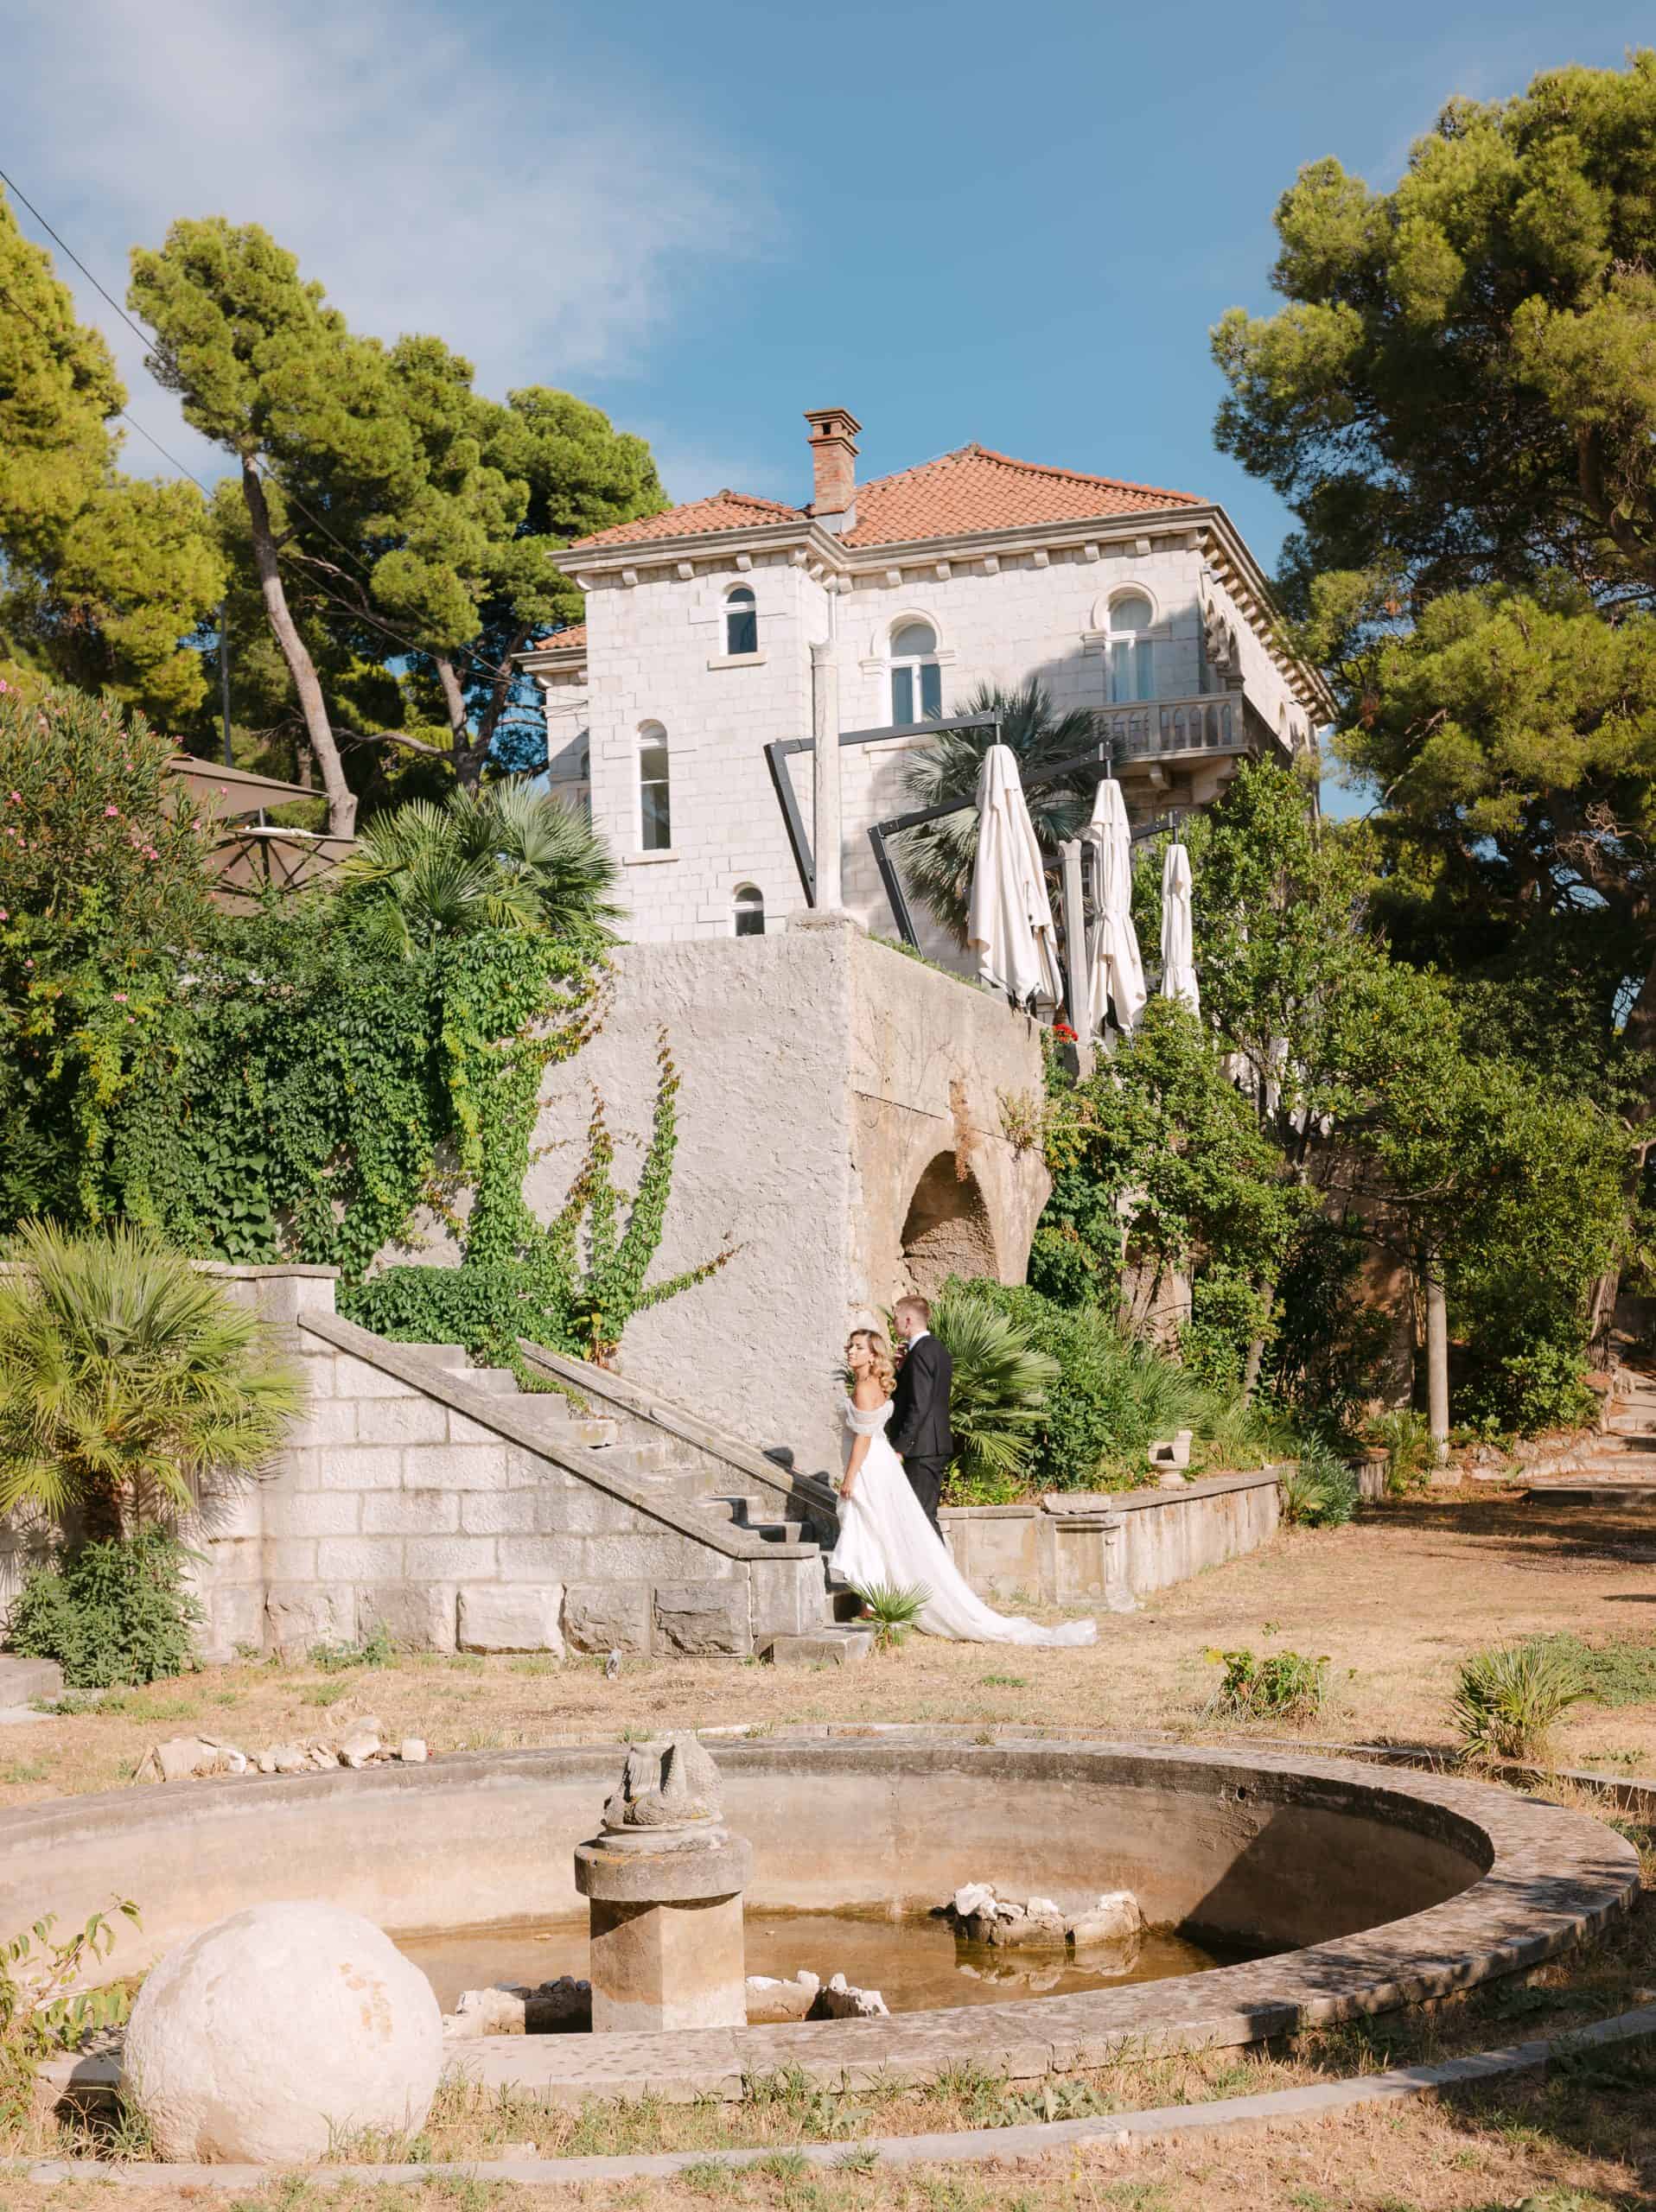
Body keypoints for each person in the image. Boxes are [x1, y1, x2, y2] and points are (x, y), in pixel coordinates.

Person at [830, 1325, 1096, 1649]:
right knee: (878, 1530)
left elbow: (864, 1436)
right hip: (879, 1463)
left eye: (858, 1347)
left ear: (873, 1355)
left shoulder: (864, 1389)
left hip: (870, 1465)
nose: (851, 1351)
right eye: (850, 1346)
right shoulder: (871, 1384)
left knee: (869, 1530)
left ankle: (872, 1606)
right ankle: (876, 1602)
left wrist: (850, 1476)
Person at [887, 1295, 952, 1538]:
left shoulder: (922, 1351)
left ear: (907, 1320)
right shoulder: (937, 1348)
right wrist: (903, 1370)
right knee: (922, 1514)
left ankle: (942, 1575)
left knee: (921, 1516)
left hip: (922, 1446)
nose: (893, 1324)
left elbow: (920, 1403)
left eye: (894, 1319)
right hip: (932, 1444)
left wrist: (902, 1446)